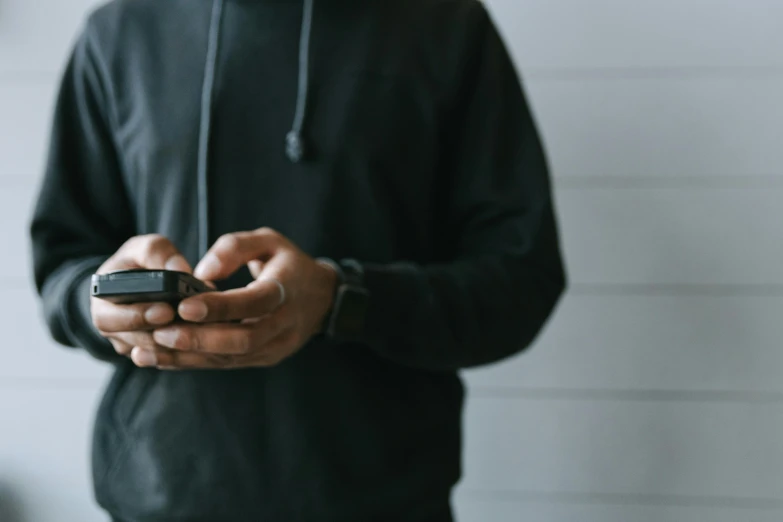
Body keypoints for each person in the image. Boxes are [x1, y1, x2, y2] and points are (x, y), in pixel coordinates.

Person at [29, 0, 566, 520]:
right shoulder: (118, 31)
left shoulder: (445, 24)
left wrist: (342, 298)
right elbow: (63, 267)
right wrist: (103, 304)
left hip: (382, 497)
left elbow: (521, 281)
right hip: (159, 490)